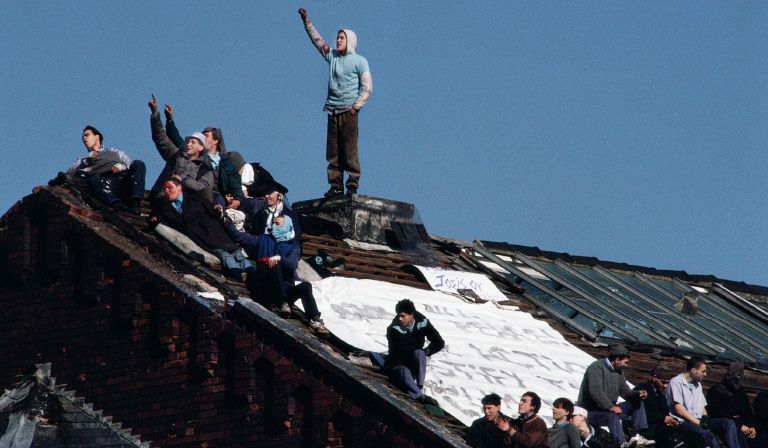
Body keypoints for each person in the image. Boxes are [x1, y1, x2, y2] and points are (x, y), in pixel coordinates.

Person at [223, 188, 329, 336]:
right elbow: (241, 237)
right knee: (272, 265)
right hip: (266, 287)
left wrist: (279, 258)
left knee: (305, 286)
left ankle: (315, 319)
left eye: (277, 224)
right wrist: (226, 222)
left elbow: (292, 264)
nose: (273, 227)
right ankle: (282, 302)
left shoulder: (293, 246)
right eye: (273, 224)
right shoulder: (264, 240)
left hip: (285, 289)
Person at [298, 7, 373, 198]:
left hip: (348, 111)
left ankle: (352, 186)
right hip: (332, 110)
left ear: (350, 41)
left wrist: (356, 107)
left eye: (342, 38)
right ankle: (336, 186)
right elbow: (318, 41)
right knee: (333, 152)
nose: (338, 40)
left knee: (349, 151)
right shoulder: (332, 57)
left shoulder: (359, 61)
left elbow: (367, 87)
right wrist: (307, 22)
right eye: (338, 37)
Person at [150, 177, 251, 279]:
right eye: (164, 189)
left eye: (169, 188)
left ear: (179, 187)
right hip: (200, 238)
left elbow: (211, 207)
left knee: (236, 253)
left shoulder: (193, 197)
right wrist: (154, 218)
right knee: (224, 255)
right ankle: (240, 274)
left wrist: (217, 209)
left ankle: (251, 273)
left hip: (213, 231)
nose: (166, 191)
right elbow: (155, 215)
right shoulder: (165, 205)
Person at [162, 103, 244, 209]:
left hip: (222, 197)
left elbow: (234, 183)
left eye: (206, 136)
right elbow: (177, 139)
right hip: (201, 193)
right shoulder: (196, 155)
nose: (202, 138)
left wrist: (238, 199)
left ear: (216, 141)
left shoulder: (226, 162)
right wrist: (169, 120)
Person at [576, 345, 652, 447]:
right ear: (617, 359)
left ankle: (636, 436)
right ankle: (621, 444)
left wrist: (638, 394)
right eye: (625, 362)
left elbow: (624, 391)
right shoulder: (596, 368)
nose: (626, 365)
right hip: (592, 412)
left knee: (637, 401)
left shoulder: (618, 370)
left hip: (609, 409)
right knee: (612, 414)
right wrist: (610, 407)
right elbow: (595, 391)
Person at [63, 125, 146, 214]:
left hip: (123, 181)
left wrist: (121, 167)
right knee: (94, 179)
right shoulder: (84, 160)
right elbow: (70, 172)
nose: (84, 138)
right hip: (106, 184)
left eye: (87, 135)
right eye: (83, 137)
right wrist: (87, 158)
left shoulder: (115, 151)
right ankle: (116, 204)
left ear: (97, 136)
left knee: (139, 163)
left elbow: (130, 165)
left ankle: (135, 201)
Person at [147, 95, 214, 202]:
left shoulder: (205, 169)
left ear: (201, 147)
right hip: (162, 199)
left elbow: (203, 188)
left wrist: (182, 180)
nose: (188, 144)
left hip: (187, 206)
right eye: (188, 141)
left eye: (193, 142)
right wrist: (155, 113)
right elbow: (160, 137)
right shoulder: (176, 155)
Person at [667, 356, 741, 448]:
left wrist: (705, 418)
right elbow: (679, 410)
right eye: (703, 371)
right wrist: (698, 423)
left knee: (728, 424)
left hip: (699, 420)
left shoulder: (697, 384)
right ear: (694, 370)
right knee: (708, 436)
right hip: (683, 422)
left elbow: (701, 406)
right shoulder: (676, 382)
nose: (705, 374)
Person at [384, 299, 443, 405]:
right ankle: (419, 396)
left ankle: (419, 386)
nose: (400, 319)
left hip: (412, 361)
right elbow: (401, 349)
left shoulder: (422, 322)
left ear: (412, 315)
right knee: (404, 371)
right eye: (399, 316)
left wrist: (425, 352)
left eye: (403, 316)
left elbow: (439, 342)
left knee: (420, 354)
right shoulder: (393, 329)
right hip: (397, 363)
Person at [707, 360, 760, 448]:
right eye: (735, 374)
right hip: (723, 425)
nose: (737, 379)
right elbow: (719, 413)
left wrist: (752, 427)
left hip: (743, 427)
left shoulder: (740, 392)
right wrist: (740, 426)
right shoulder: (716, 390)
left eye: (740, 375)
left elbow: (747, 411)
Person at [633, 366, 680, 448]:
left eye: (667, 383)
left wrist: (673, 421)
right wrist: (663, 418)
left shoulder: (661, 395)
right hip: (646, 428)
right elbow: (641, 412)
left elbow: (665, 413)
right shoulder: (642, 389)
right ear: (654, 377)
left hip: (659, 427)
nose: (665, 386)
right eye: (663, 382)